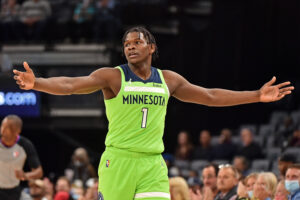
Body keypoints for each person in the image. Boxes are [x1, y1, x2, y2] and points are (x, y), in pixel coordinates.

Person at [13, 26, 294, 200]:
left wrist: (256, 95)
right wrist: (37, 83)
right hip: (118, 161)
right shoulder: (113, 76)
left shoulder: (168, 80)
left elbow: (209, 96)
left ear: (152, 47)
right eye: (126, 43)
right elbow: (72, 85)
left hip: (152, 164)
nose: (130, 46)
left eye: (137, 41)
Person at [0, 114, 43, 200]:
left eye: (7, 128)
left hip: (15, 191)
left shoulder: (25, 145)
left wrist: (25, 175)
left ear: (17, 131)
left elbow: (39, 172)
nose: (3, 130)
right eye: (2, 126)